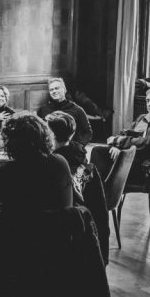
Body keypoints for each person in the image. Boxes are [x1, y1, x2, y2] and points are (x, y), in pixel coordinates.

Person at [0, 112, 74, 251]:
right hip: (58, 240)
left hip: (19, 246)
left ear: (11, 142)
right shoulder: (60, 163)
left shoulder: (6, 171)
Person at [45, 112, 111, 261]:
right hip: (86, 227)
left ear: (50, 134)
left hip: (62, 229)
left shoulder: (56, 165)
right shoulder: (80, 157)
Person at [37, 78, 93, 145]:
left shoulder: (77, 110)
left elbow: (88, 132)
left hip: (71, 148)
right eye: (51, 90)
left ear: (64, 90)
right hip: (50, 148)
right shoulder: (42, 110)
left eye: (57, 88)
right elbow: (38, 130)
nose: (54, 91)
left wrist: (79, 145)